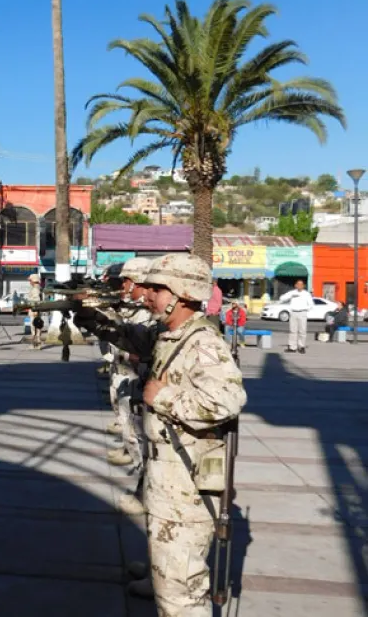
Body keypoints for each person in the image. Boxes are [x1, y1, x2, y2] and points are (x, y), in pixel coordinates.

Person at [129, 254, 246, 614]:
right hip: (167, 482)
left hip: (186, 487)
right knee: (169, 583)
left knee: (181, 591)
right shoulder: (172, 334)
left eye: (157, 289)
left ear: (182, 294)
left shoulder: (202, 342)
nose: (147, 295)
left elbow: (228, 400)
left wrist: (162, 397)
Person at [106, 257, 153, 471]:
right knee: (125, 415)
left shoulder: (146, 312)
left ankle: (140, 467)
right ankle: (131, 453)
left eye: (125, 281)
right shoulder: (131, 306)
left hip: (137, 374)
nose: (122, 286)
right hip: (123, 368)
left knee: (137, 426)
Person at [279, 279, 313, 353]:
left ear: (303, 286)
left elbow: (311, 305)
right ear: (295, 285)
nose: (299, 286)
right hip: (293, 313)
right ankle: (292, 347)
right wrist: (291, 296)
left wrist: (303, 309)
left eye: (301, 284)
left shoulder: (306, 294)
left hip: (302, 313)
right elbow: (282, 298)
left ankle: (301, 346)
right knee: (292, 331)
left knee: (302, 331)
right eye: (298, 284)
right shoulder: (292, 293)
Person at [26, 273, 43, 349]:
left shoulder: (35, 289)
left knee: (34, 328)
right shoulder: (37, 288)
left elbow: (36, 300)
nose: (29, 282)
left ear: (33, 280)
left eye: (30, 280)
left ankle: (34, 344)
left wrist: (35, 311)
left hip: (34, 311)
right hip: (35, 310)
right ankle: (37, 344)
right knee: (37, 328)